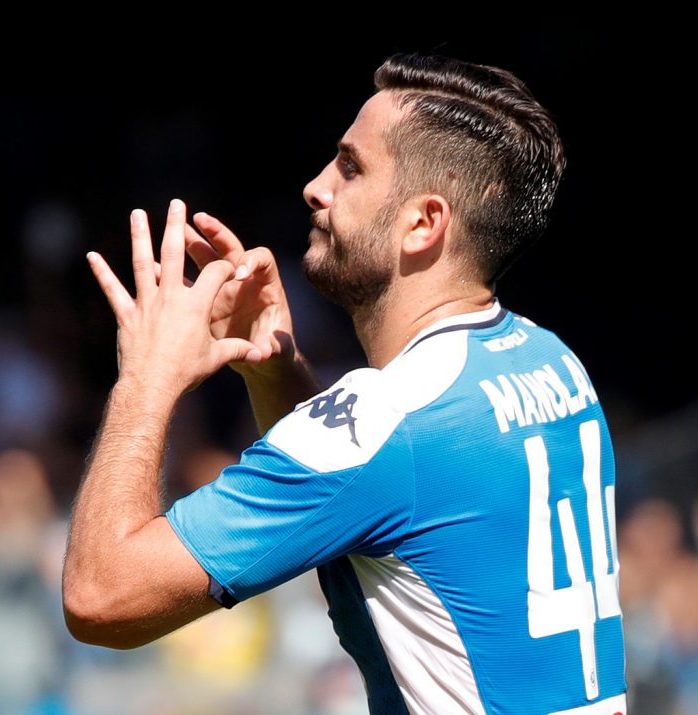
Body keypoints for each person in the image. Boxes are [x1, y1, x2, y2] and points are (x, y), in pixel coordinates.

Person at [62, 51, 628, 714]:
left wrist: (145, 377)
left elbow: (100, 597)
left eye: (351, 167)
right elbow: (378, 494)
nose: (316, 186)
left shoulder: (391, 419)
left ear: (423, 223)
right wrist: (274, 366)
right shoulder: (550, 361)